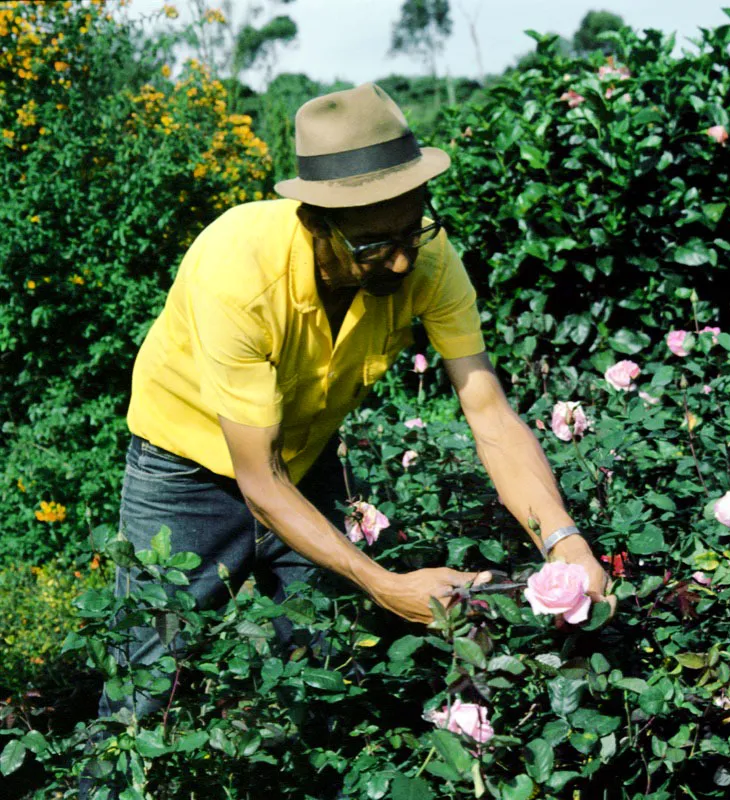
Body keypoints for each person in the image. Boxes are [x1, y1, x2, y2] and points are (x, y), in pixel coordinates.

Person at [89, 81, 616, 759]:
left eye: (411, 229)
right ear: (313, 222)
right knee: (146, 676)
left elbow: (487, 411)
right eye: (372, 245)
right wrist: (384, 583)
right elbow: (258, 477)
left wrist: (565, 543)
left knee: (329, 661)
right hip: (186, 468)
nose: (400, 260)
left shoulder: (426, 256)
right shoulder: (239, 271)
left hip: (302, 458)